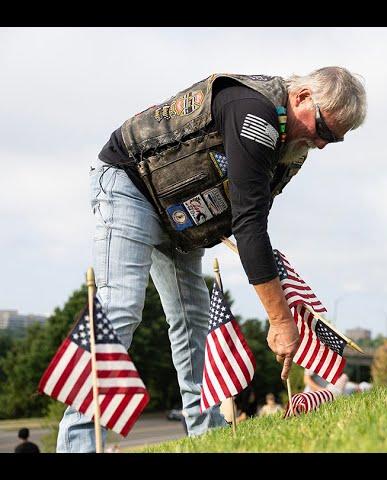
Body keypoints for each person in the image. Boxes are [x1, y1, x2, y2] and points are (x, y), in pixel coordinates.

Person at [58, 67, 367, 452]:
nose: (321, 143)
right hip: (130, 186)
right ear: (303, 97)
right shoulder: (255, 113)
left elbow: (251, 213)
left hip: (182, 216)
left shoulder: (291, 146)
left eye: (333, 140)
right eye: (323, 128)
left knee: (194, 324)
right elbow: (249, 223)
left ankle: (206, 440)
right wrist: (280, 319)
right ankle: (77, 445)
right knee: (120, 308)